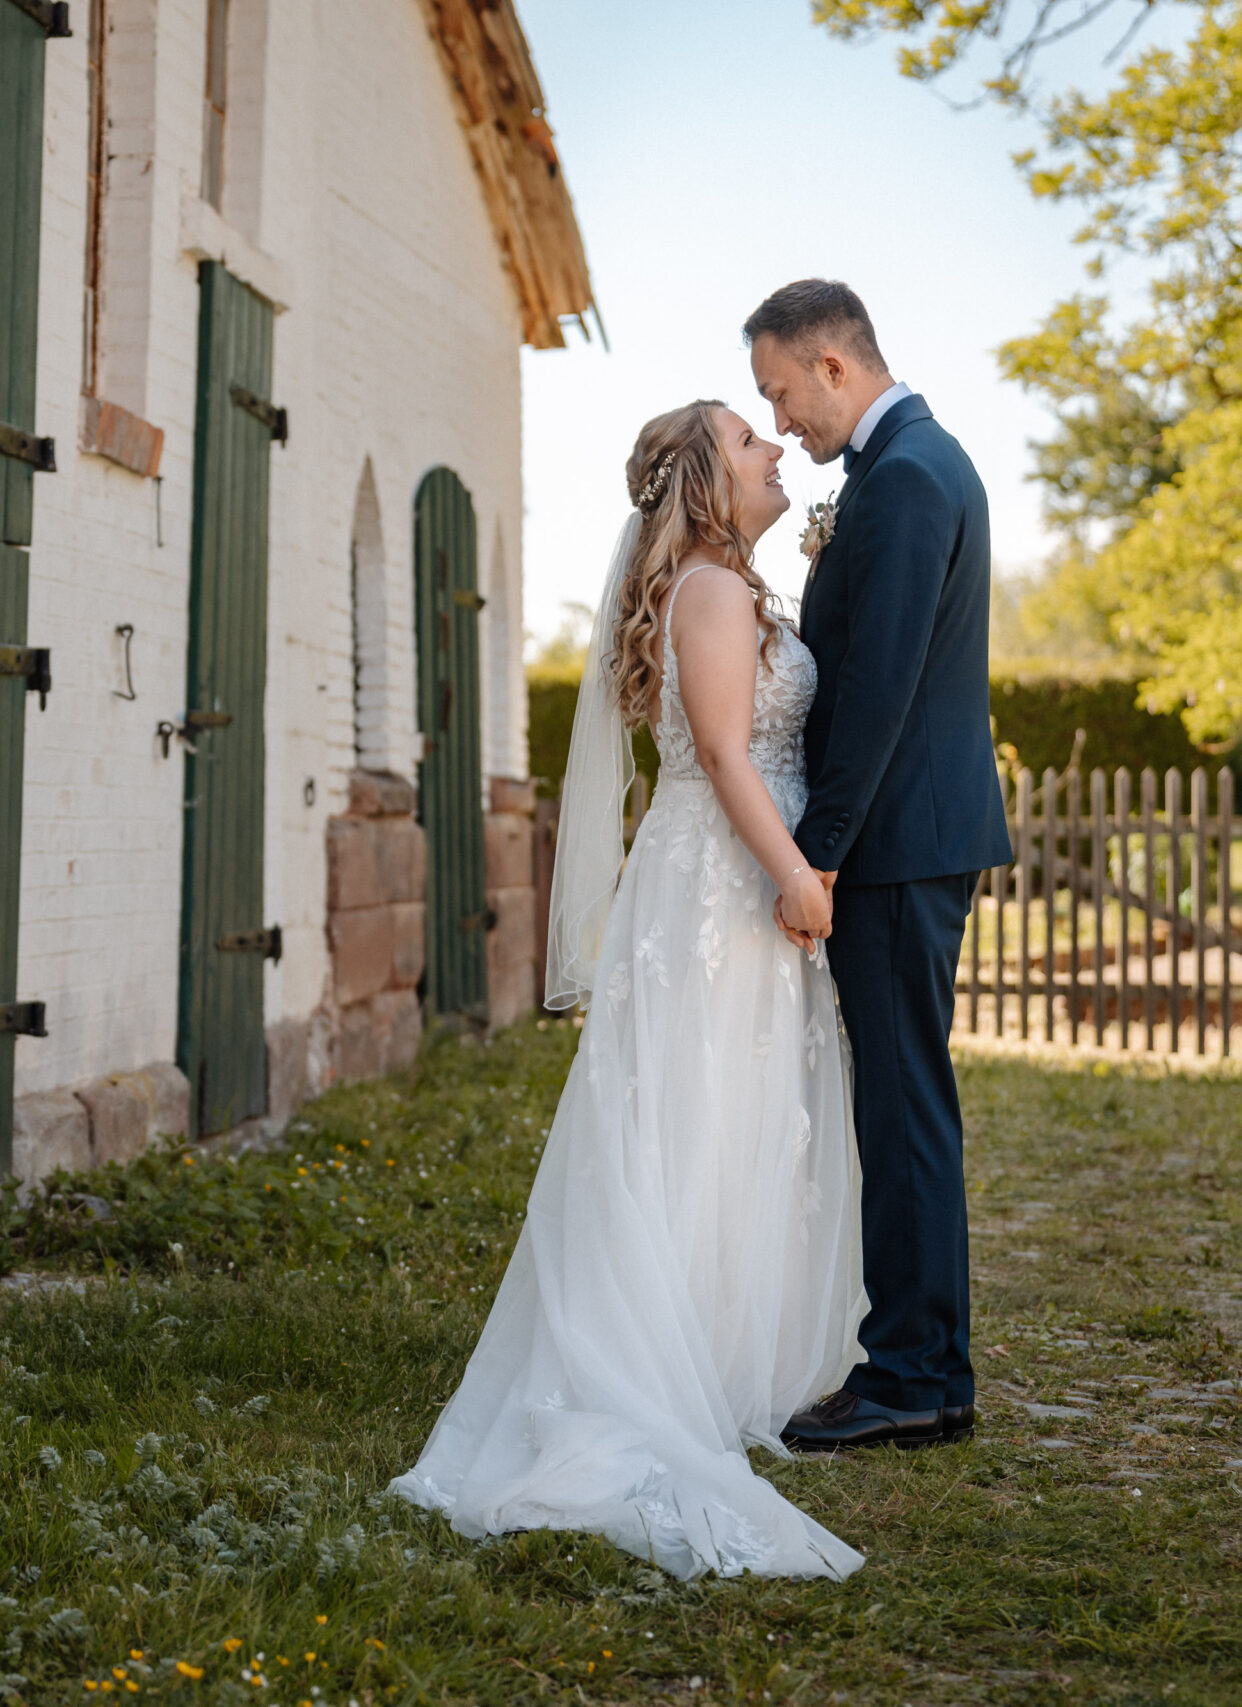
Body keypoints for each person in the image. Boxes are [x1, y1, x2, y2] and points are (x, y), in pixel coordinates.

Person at [388, 399, 867, 1581]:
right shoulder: (707, 590)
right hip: (718, 887)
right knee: (697, 1118)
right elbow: (716, 754)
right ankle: (656, 1368)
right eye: (752, 445)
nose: (774, 452)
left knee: (741, 1118)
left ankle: (714, 1360)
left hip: (732, 880)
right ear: (707, 483)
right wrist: (798, 877)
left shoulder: (732, 586)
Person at [745, 280, 1013, 1452]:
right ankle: (929, 1369)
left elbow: (881, 698)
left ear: (833, 367)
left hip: (897, 848)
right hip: (912, 841)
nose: (783, 419)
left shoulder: (903, 480)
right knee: (905, 1102)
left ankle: (909, 1375)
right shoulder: (912, 460)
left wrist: (818, 860)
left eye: (781, 391)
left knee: (902, 1108)